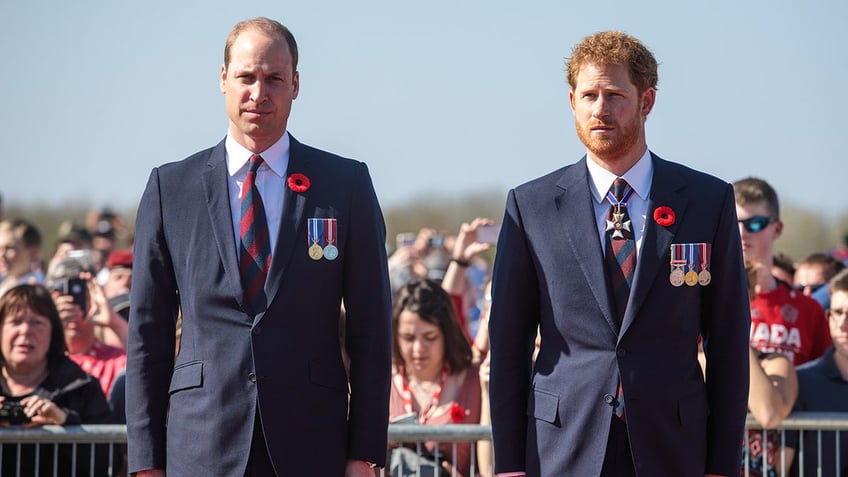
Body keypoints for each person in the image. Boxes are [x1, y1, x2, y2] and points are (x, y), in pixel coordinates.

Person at [126, 17, 392, 477]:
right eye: (247, 77)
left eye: (274, 79)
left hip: (313, 444)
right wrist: (146, 461)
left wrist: (364, 452)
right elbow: (147, 334)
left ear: (295, 85)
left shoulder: (344, 184)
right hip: (202, 442)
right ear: (223, 79)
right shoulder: (172, 188)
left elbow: (372, 329)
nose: (259, 93)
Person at [488, 31, 750, 477]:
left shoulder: (707, 201)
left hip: (673, 444)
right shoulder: (530, 206)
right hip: (562, 444)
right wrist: (509, 464)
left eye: (614, 95)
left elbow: (727, 339)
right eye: (589, 95)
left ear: (646, 101)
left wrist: (722, 463)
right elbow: (509, 345)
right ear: (571, 101)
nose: (600, 109)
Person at [0, 284, 114, 476]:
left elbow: (110, 461)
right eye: (16, 321)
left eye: (37, 322)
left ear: (53, 333)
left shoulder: (81, 386)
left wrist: (65, 422)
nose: (26, 331)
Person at [733, 177, 832, 366]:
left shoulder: (809, 310)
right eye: (733, 222)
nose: (742, 232)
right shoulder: (707, 301)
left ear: (777, 229)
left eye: (754, 223)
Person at [389, 279, 481, 477]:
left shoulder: (476, 381)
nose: (418, 349)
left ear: (447, 335)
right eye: (408, 337)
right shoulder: (381, 383)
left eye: (430, 337)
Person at [785, 268, 848, 476]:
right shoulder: (802, 381)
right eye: (837, 313)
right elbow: (781, 466)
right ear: (828, 317)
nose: (843, 325)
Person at [0, 218, 44, 297]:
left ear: (33, 252)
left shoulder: (35, 291)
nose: (2, 255)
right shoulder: (5, 285)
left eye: (10, 248)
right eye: (0, 248)